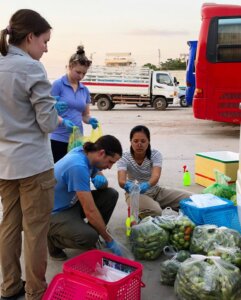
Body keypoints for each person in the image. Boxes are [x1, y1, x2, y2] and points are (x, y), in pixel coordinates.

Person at [0, 9, 73, 300]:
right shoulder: (31, 68)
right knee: (35, 231)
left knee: (9, 225)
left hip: (4, 164)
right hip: (33, 165)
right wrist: (56, 115)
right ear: (30, 37)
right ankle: (35, 292)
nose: (46, 48)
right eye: (44, 41)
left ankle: (9, 287)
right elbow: (46, 122)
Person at [47, 135, 123, 260]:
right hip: (55, 212)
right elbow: (90, 210)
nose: (110, 167)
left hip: (71, 202)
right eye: (110, 162)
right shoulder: (77, 166)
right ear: (101, 153)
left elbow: (103, 186)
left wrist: (101, 179)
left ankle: (90, 233)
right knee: (89, 237)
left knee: (111, 195)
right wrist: (109, 239)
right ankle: (52, 240)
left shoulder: (87, 154)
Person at [117, 125, 192, 218]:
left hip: (155, 191)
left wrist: (147, 185)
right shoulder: (124, 157)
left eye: (143, 141)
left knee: (191, 198)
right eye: (135, 141)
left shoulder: (155, 154)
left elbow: (155, 176)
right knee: (156, 212)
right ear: (130, 142)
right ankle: (146, 209)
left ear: (148, 141)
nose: (139, 144)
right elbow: (121, 180)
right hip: (135, 194)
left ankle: (154, 205)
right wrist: (128, 185)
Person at [50, 45, 99, 162]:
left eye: (84, 73)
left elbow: (85, 115)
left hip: (77, 139)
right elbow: (46, 110)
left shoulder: (84, 90)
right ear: (70, 67)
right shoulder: (58, 85)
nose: (81, 76)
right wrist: (62, 120)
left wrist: (90, 120)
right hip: (57, 138)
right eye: (78, 72)